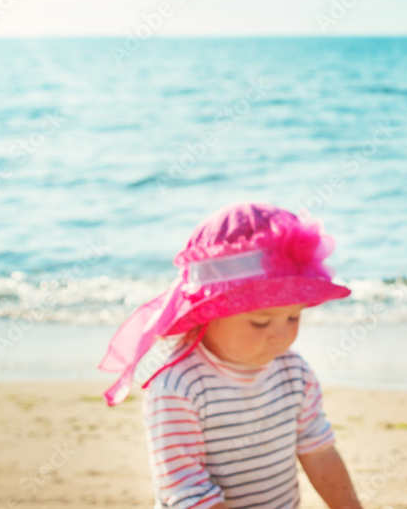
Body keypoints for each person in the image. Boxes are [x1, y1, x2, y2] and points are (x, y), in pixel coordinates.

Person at [100, 202, 362, 509]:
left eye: (293, 317)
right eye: (261, 321)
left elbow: (318, 451)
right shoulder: (178, 389)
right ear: (209, 314)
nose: (282, 335)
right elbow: (190, 495)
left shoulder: (293, 371)